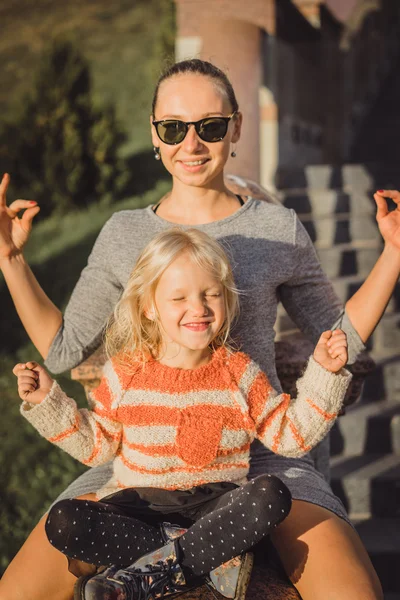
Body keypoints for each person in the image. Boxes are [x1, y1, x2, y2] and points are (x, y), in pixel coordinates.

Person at [1, 58, 399, 599]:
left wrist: (393, 254)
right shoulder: (125, 233)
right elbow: (65, 348)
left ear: (235, 128)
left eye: (210, 126)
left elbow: (336, 339)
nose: (192, 143)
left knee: (356, 594)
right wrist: (10, 259)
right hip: (143, 458)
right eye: (173, 128)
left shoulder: (275, 228)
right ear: (155, 136)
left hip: (258, 449)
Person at [13, 228, 351, 599]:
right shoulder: (125, 373)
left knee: (271, 495)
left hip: (215, 508)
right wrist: (48, 401)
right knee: (64, 521)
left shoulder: (239, 374)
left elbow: (291, 436)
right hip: (139, 506)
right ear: (149, 306)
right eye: (179, 297)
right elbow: (97, 447)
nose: (199, 308)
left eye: (211, 294)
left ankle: (151, 569)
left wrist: (325, 375)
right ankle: (196, 560)